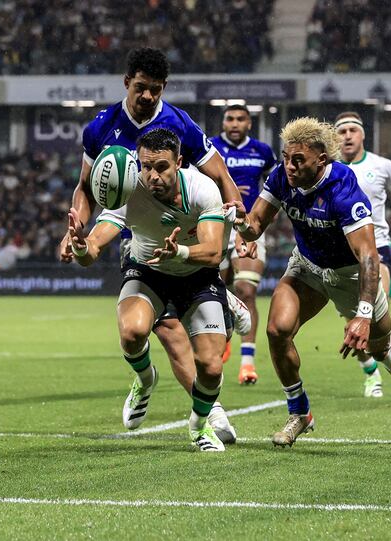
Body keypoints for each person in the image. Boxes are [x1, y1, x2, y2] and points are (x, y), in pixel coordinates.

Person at [58, 47, 244, 443]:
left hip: (187, 232)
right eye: (141, 88)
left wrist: (237, 214)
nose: (147, 97)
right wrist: (76, 234)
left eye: (155, 90)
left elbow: (219, 173)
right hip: (138, 236)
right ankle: (155, 383)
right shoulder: (101, 128)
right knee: (153, 333)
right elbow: (87, 189)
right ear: (127, 82)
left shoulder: (180, 125)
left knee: (189, 340)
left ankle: (207, 408)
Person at [227, 116, 391, 447]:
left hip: (352, 274)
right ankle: (299, 412)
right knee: (277, 330)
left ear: (321, 159)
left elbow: (369, 257)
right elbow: (255, 225)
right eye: (286, 158)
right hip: (307, 266)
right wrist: (237, 220)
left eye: (299, 160)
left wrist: (363, 314)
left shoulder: (343, 189)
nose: (290, 167)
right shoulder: (282, 177)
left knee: (382, 350)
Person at [69, 129, 231, 451]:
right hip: (148, 271)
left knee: (211, 367)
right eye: (145, 167)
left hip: (197, 276)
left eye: (161, 167)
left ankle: (199, 426)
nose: (152, 175)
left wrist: (180, 253)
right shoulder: (130, 190)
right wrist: (79, 246)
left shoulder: (202, 189)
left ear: (179, 163)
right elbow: (94, 250)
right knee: (132, 332)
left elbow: (213, 251)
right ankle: (145, 379)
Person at [334, 111, 391, 398]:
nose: (348, 135)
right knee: (354, 322)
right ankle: (370, 372)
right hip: (338, 254)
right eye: (342, 131)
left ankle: (382, 373)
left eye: (353, 130)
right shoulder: (329, 168)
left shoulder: (382, 166)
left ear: (363, 134)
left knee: (372, 318)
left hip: (377, 249)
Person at [210, 104, 277, 385]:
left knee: (246, 289)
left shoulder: (262, 152)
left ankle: (247, 363)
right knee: (216, 290)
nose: (235, 123)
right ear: (223, 122)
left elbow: (279, 183)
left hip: (248, 227)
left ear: (249, 123)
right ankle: (224, 331)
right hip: (212, 225)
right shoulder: (209, 146)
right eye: (230, 119)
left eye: (240, 119)